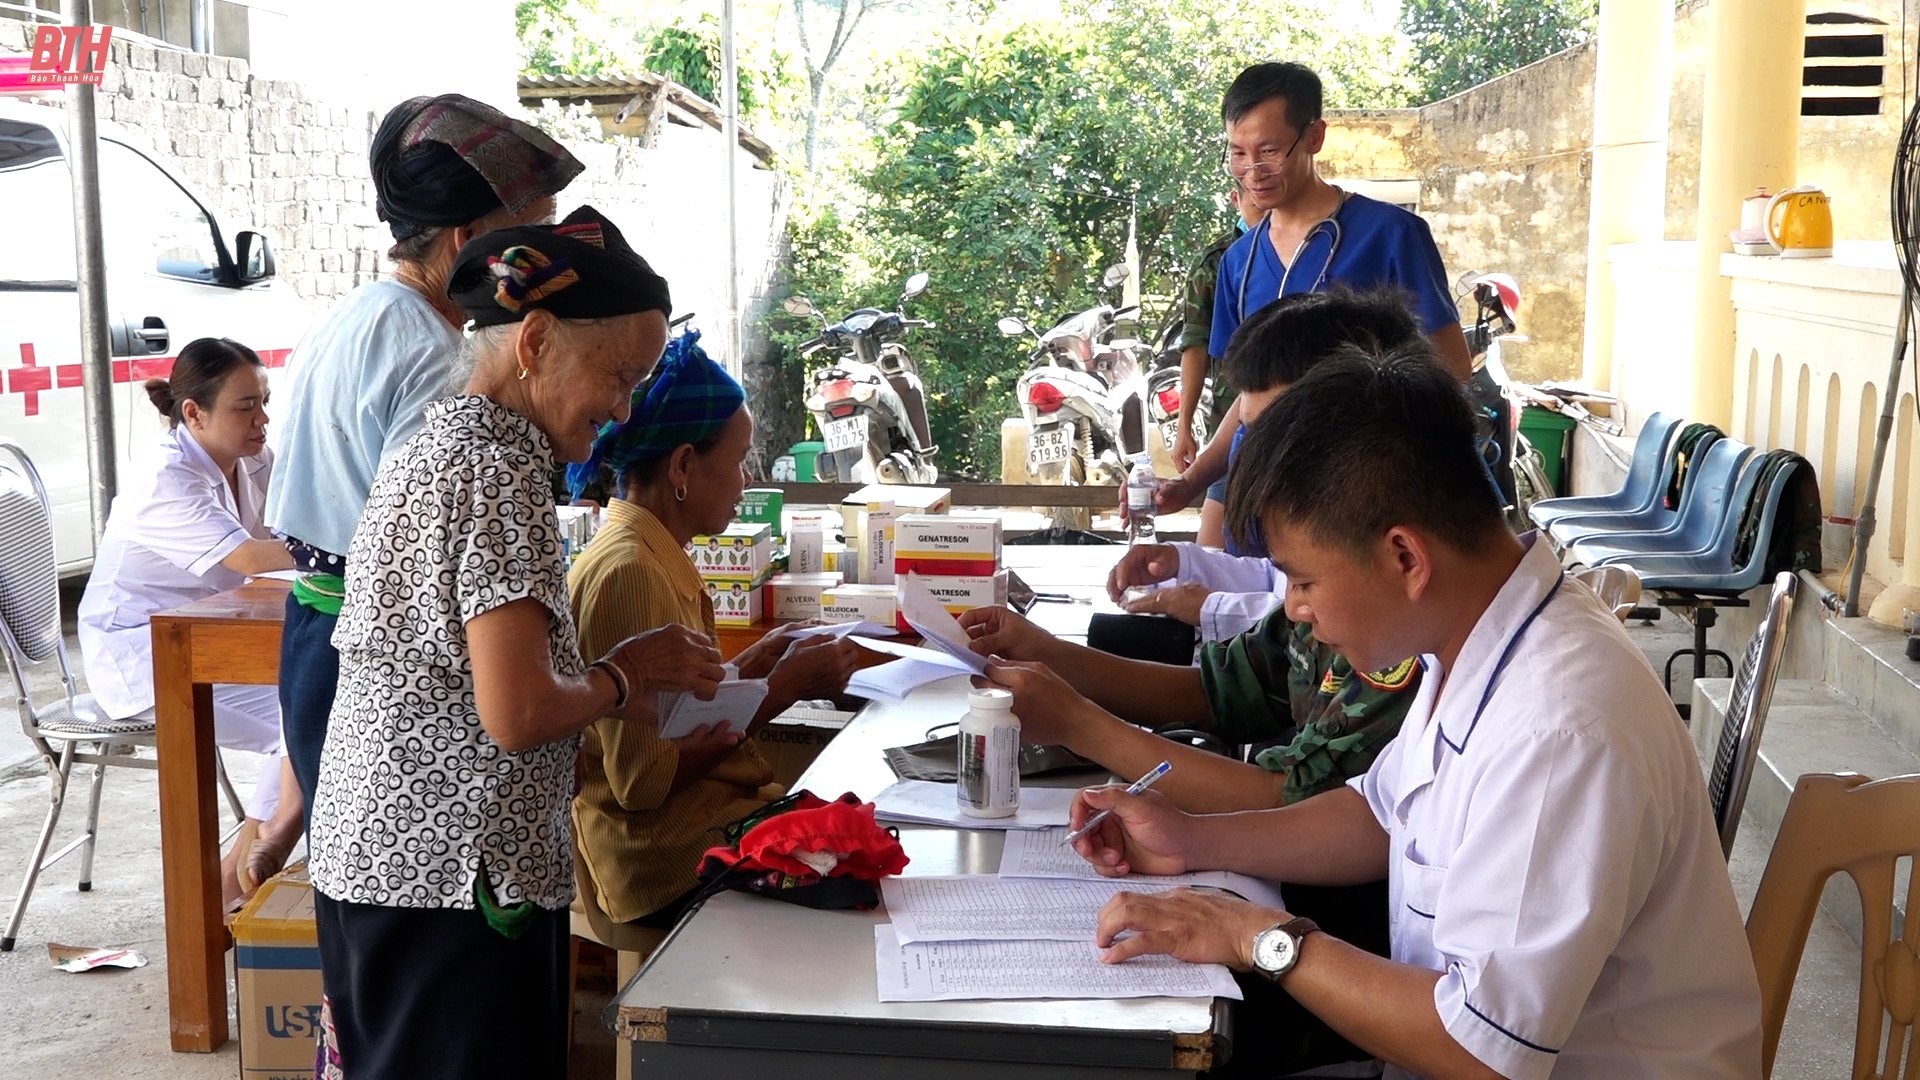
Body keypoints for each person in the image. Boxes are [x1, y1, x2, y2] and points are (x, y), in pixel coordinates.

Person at [1072, 346, 1763, 1079]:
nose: (1296, 611)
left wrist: (1256, 936)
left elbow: (1479, 1049)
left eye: (1303, 580)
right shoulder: (1474, 641)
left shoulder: (1560, 727)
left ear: (1405, 556)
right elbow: (1379, 813)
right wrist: (1190, 840)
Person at [307, 207, 724, 1080]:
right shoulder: (500, 472)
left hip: (384, 855)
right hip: (451, 875)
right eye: (617, 376)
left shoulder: (437, 442)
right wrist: (624, 674)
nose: (621, 410)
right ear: (535, 342)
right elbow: (519, 710)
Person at [266, 93, 582, 828]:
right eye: (531, 235)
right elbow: (436, 548)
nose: (545, 254)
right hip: (392, 665)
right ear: (469, 238)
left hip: (316, 629)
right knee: (409, 888)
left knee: (348, 869)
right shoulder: (443, 361)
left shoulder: (351, 316)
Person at [566, 333, 868, 928]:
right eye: (736, 460)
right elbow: (642, 785)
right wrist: (782, 689)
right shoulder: (631, 571)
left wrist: (761, 660)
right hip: (666, 865)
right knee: (866, 881)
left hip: (706, 829)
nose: (746, 478)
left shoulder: (649, 552)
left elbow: (675, 708)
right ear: (682, 465)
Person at [1149, 61, 1471, 553]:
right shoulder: (1238, 261)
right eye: (1238, 153)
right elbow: (1250, 399)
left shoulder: (1391, 236)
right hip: (1259, 487)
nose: (1252, 170)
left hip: (1352, 498)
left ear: (1314, 136)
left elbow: (1452, 369)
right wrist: (1194, 482)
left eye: (1270, 151)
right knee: (1230, 614)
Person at [76, 337, 302, 905]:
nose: (262, 419)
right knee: (299, 713)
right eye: (245, 406)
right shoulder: (166, 478)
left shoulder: (252, 459)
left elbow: (293, 529)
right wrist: (364, 545)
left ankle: (245, 874)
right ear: (194, 414)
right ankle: (233, 887)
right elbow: (252, 558)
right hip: (141, 655)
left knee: (315, 697)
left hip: (206, 637)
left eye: (264, 401)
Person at [1115, 289, 1422, 641]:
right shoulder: (1318, 509)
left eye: (1272, 438)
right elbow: (1277, 580)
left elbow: (1314, 620)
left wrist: (1212, 607)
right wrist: (1181, 562)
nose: (1254, 460)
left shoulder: (1381, 521)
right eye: (1247, 433)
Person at [1170, 185, 1261, 474]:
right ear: (1236, 200)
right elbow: (1196, 345)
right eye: (1256, 204)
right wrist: (1184, 424)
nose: (1266, 214)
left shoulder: (1306, 250)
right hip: (1232, 412)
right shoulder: (1217, 261)